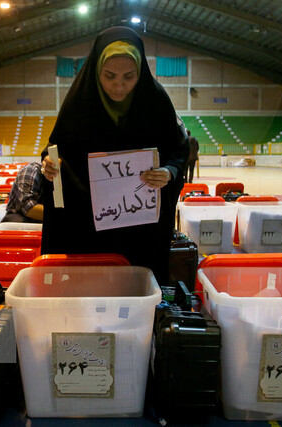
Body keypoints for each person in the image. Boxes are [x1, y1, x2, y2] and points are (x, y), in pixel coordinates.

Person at [40, 26, 188, 285]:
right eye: (109, 76)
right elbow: (55, 149)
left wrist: (169, 172)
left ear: (140, 72)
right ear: (96, 71)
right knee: (92, 284)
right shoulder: (79, 103)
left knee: (135, 285)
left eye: (129, 77)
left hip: (141, 229)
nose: (119, 86)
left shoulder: (156, 101)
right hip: (88, 224)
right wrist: (50, 165)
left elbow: (178, 151)